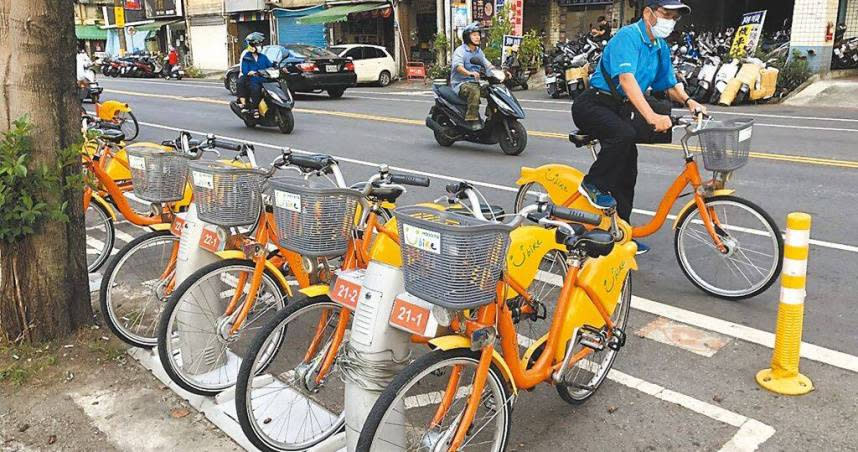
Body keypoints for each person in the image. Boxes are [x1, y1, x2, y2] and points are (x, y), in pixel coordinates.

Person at [573, 0, 706, 254]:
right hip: (593, 104)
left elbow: (668, 83)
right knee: (623, 135)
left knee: (627, 173)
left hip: (619, 108)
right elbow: (627, 79)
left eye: (675, 17)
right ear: (648, 13)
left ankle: (620, 233)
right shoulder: (628, 37)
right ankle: (593, 183)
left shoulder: (659, 46)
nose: (670, 21)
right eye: (666, 14)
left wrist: (690, 102)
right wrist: (652, 116)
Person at [450, 22, 494, 130]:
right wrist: (469, 73)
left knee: (492, 91)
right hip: (461, 83)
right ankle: (471, 119)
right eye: (474, 35)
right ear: (467, 37)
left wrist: (500, 71)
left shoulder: (479, 51)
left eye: (478, 35)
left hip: (475, 82)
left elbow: (487, 64)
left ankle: (492, 115)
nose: (477, 37)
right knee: (474, 91)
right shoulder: (460, 51)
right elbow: (458, 67)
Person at [236, 32, 272, 116]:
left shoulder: (263, 57)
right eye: (257, 44)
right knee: (256, 89)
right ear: (252, 45)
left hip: (264, 79)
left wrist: (277, 66)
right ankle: (254, 108)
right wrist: (250, 72)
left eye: (260, 44)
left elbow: (270, 65)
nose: (260, 46)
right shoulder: (246, 57)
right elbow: (244, 70)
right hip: (254, 80)